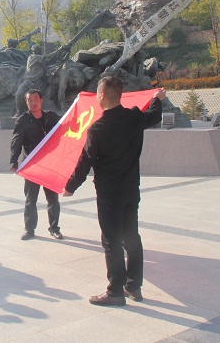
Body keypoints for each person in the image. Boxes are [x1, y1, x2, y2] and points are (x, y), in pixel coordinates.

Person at [63, 77, 166, 306]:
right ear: (120, 95)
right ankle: (134, 286)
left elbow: (85, 161)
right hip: (131, 189)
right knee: (131, 237)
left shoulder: (98, 128)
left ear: (101, 95)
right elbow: (154, 115)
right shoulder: (134, 118)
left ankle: (115, 292)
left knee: (111, 240)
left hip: (109, 194)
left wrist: (70, 186)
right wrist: (157, 99)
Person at [10, 89, 63, 241]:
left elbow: (65, 127)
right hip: (32, 165)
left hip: (50, 165)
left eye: (35, 99)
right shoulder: (23, 120)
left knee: (53, 199)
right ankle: (29, 229)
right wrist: (14, 161)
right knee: (30, 200)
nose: (33, 102)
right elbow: (16, 142)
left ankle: (54, 228)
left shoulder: (51, 117)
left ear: (41, 100)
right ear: (26, 103)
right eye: (30, 100)